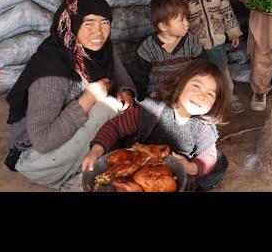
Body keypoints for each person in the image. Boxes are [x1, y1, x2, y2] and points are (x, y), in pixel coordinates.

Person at [5, 0, 136, 189]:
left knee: (120, 109)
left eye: (105, 23)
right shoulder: (52, 69)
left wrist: (126, 92)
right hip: (36, 159)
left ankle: (86, 166)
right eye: (88, 23)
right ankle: (74, 178)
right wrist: (88, 99)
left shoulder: (103, 48)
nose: (98, 33)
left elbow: (123, 79)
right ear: (72, 24)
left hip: (65, 145)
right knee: (107, 107)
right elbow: (42, 141)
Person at [82, 58, 229, 191]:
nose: (202, 96)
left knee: (218, 163)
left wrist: (191, 167)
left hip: (175, 172)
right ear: (180, 82)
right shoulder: (151, 110)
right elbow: (115, 127)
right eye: (196, 86)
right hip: (139, 163)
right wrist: (97, 148)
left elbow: (208, 157)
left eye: (210, 94)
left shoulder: (203, 128)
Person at [175, 0, 245, 115]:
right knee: (199, 76)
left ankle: (229, 95)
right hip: (195, 45)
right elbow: (176, 19)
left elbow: (227, 12)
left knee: (221, 71)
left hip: (217, 42)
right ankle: (203, 103)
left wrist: (234, 32)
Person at [132, 0, 204, 101]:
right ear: (163, 26)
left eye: (186, 18)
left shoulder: (191, 40)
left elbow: (201, 66)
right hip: (159, 96)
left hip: (185, 93)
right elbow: (139, 78)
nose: (187, 24)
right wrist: (142, 100)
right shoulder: (148, 48)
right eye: (181, 20)